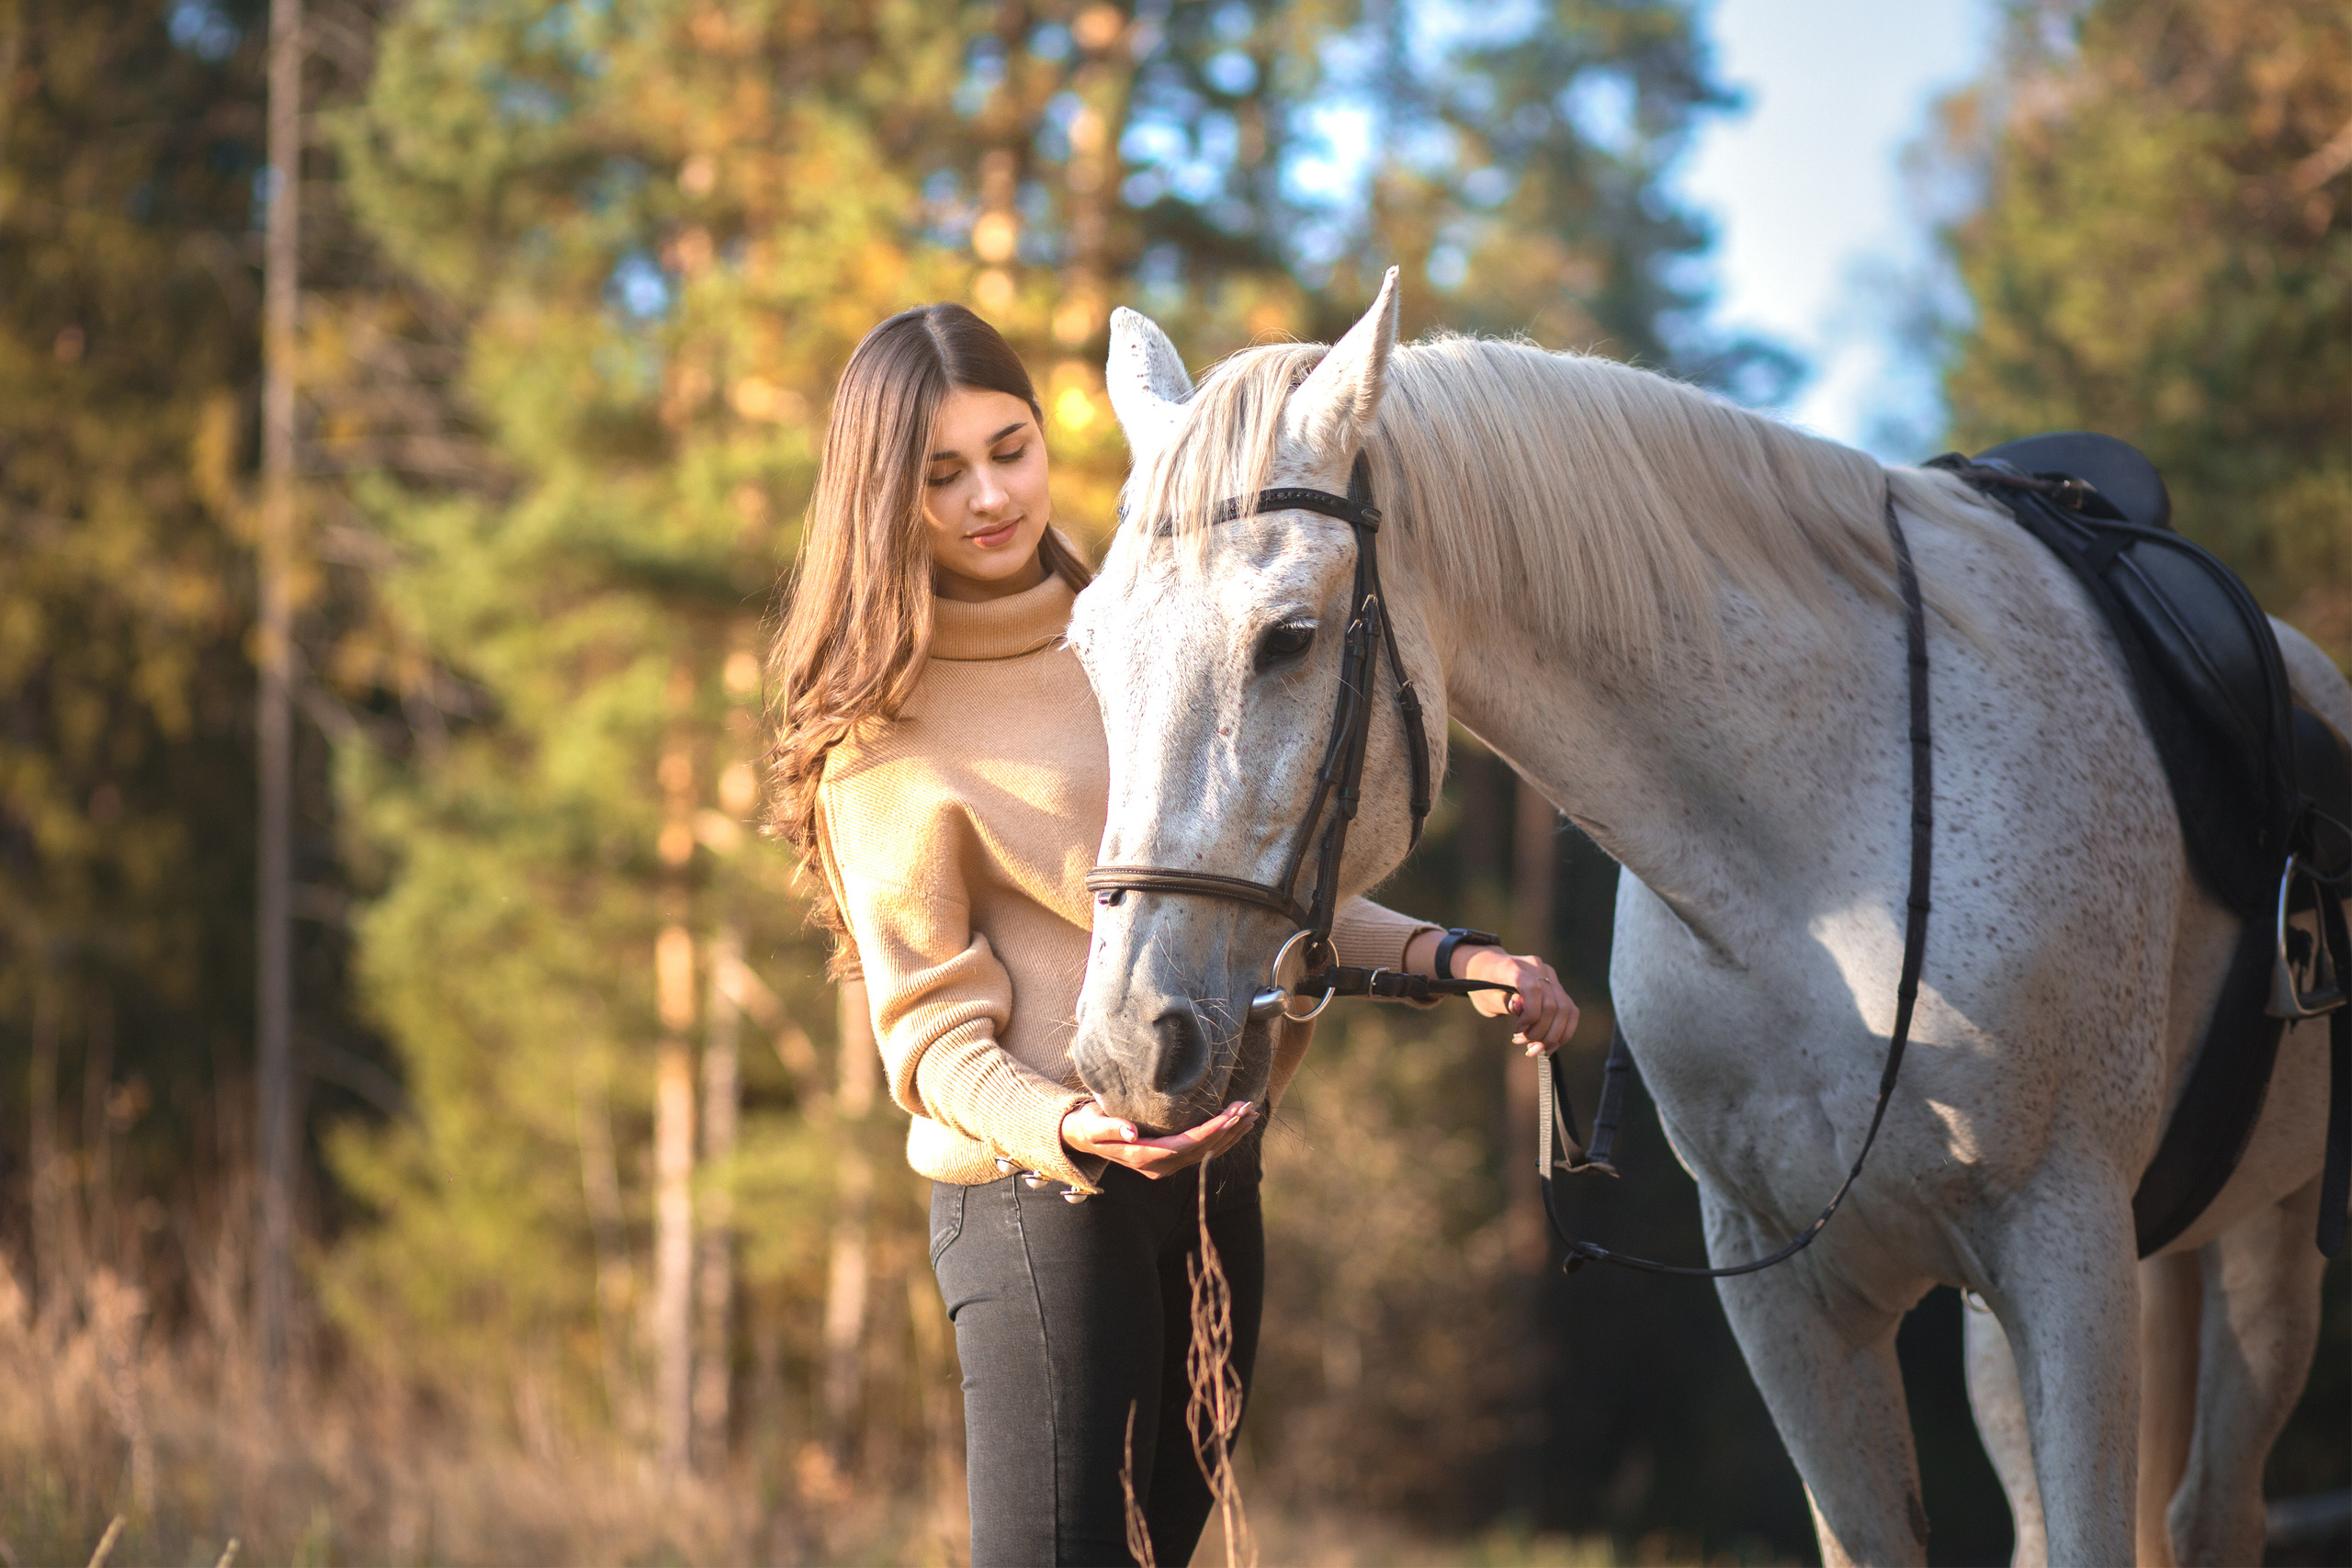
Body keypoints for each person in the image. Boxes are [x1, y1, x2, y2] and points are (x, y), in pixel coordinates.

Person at [768, 303, 1577, 1567]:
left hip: (1212, 1184)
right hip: (1047, 1200)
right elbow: (926, 1032)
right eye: (941, 473)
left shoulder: (1145, 631)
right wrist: (1063, 1126)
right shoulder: (884, 736)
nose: (991, 494)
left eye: (1011, 446)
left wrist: (1453, 960)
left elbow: (1235, 897)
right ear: (886, 497)